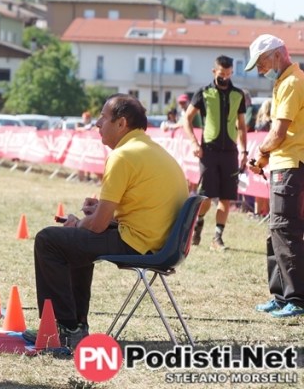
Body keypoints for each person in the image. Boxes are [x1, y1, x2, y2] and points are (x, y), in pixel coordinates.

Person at [22, 95, 188, 350]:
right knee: (73, 243)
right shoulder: (152, 150)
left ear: (121, 123)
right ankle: (74, 326)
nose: (97, 123)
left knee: (49, 240)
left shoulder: (123, 155)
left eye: (103, 117)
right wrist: (99, 211)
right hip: (161, 243)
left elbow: (97, 226)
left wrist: (80, 223)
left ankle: (65, 329)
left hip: (140, 243)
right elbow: (137, 207)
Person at [245, 34, 304, 318]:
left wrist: (260, 153)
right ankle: (281, 295)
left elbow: (279, 133)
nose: (259, 70)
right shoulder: (286, 81)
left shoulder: (292, 82)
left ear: (277, 54)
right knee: (277, 231)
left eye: (261, 62)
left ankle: (295, 298)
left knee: (285, 231)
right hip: (284, 163)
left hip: (290, 165)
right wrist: (266, 156)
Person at [181, 55, 248, 251]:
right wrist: (194, 143)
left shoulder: (238, 94)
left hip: (230, 152)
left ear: (232, 72)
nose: (224, 77)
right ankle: (199, 222)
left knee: (226, 197)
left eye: (228, 74)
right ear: (214, 71)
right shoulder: (203, 92)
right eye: (221, 73)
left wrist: (244, 151)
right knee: (206, 197)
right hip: (208, 151)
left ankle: (217, 237)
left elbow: (242, 125)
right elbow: (187, 119)